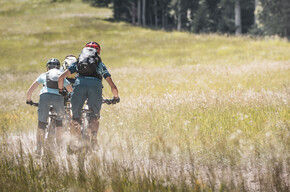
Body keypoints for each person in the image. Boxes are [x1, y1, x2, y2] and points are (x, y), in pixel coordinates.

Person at [58, 41, 120, 146]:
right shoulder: (100, 64)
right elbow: (111, 84)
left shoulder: (78, 63)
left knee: (75, 118)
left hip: (79, 85)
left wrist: (61, 90)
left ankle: (73, 142)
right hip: (95, 87)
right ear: (98, 53)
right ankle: (94, 141)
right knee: (94, 117)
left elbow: (61, 77)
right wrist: (116, 97)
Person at [26, 58, 73, 155]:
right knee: (59, 124)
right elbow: (71, 91)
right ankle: (60, 148)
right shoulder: (61, 76)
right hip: (58, 98)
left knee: (41, 124)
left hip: (44, 96)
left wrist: (29, 100)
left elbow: (30, 90)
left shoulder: (44, 75)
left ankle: (38, 149)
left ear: (48, 67)